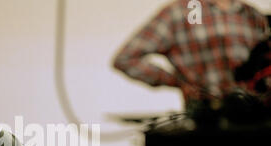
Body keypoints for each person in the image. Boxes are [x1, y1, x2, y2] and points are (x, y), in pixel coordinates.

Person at [113, 0, 269, 113]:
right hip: (204, 125)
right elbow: (126, 59)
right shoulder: (178, 12)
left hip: (256, 123)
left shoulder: (252, 15)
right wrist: (178, 82)